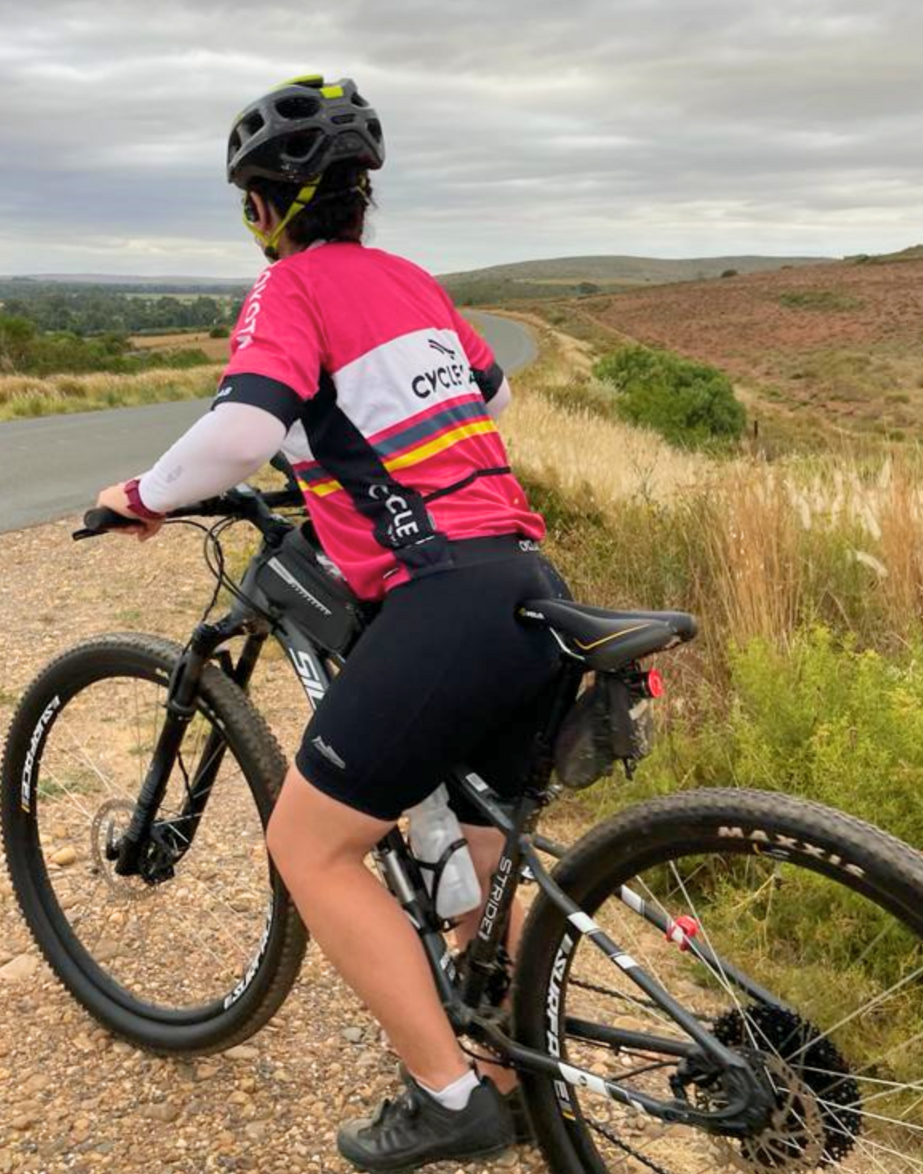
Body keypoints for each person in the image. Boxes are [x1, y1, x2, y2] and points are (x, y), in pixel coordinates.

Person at [94, 74, 569, 1170]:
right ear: (362, 195)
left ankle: (450, 1097)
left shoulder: (292, 288)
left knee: (309, 844)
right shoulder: (413, 280)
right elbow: (485, 400)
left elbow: (240, 430)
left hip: (437, 592)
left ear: (268, 205)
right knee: (478, 839)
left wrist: (141, 496)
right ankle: (503, 1058)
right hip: (522, 581)